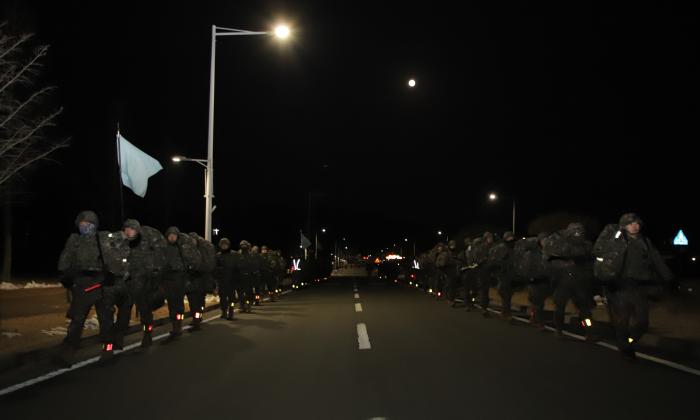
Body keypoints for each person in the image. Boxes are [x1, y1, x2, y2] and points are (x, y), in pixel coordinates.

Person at [594, 213, 673, 361]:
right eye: (631, 224)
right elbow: (599, 253)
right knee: (621, 321)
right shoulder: (615, 241)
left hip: (639, 287)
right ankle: (625, 348)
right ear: (624, 226)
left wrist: (669, 279)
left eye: (637, 223)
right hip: (619, 286)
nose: (635, 226)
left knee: (642, 322)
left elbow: (656, 259)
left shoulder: (644, 241)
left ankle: (628, 341)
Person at [54, 211, 127, 366]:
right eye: (82, 224)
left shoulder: (102, 239)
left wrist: (112, 274)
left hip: (101, 285)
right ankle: (67, 352)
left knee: (106, 320)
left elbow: (115, 259)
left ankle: (108, 350)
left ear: (95, 226)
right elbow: (64, 262)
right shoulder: (74, 241)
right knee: (77, 320)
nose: (84, 227)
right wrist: (67, 276)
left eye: (88, 224)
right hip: (82, 285)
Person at [113, 220, 165, 349]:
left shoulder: (146, 245)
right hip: (127, 285)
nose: (129, 232)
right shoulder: (122, 243)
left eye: (132, 229)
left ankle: (147, 334)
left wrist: (153, 276)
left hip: (143, 285)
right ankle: (119, 338)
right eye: (127, 229)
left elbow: (156, 263)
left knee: (145, 312)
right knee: (123, 313)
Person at [543, 223, 595, 339]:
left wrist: (585, 264)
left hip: (580, 282)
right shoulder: (561, 244)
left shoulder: (586, 245)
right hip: (563, 282)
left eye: (580, 233)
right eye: (575, 232)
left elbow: (592, 261)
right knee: (560, 308)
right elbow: (551, 261)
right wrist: (568, 263)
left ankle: (589, 331)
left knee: (585, 311)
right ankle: (559, 329)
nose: (578, 235)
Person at [161, 227, 200, 342]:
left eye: (174, 235)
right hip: (168, 281)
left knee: (178, 305)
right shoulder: (163, 248)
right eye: (170, 235)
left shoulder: (181, 249)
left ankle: (178, 327)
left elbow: (190, 264)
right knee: (171, 305)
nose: (172, 237)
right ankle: (175, 327)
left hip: (179, 280)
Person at [489, 231, 516, 320]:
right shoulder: (501, 248)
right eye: (509, 238)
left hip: (511, 275)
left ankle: (505, 312)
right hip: (503, 274)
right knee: (505, 294)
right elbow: (496, 261)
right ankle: (506, 313)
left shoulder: (513, 247)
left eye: (511, 238)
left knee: (507, 295)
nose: (511, 240)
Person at [215, 238, 238, 320]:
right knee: (222, 298)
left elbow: (237, 267)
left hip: (232, 280)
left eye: (226, 244)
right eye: (222, 244)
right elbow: (215, 268)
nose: (224, 246)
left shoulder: (234, 254)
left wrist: (237, 279)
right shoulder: (218, 255)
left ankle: (231, 311)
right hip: (222, 281)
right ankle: (224, 311)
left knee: (231, 298)